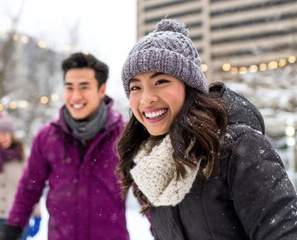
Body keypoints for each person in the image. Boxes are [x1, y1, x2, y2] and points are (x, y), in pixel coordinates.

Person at [116, 18, 297, 239]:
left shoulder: (238, 148)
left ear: (189, 87)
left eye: (161, 81)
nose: (146, 98)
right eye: (135, 87)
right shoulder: (150, 166)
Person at [0, 52, 130, 240]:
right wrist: (12, 227)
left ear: (101, 90)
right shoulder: (47, 138)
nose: (75, 96)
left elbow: (148, 195)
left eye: (84, 87)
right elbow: (29, 188)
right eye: (69, 87)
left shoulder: (124, 136)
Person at [0, 113, 41, 240]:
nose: (2, 138)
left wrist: (37, 214)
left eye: (5, 134)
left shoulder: (24, 156)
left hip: (20, 216)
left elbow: (32, 186)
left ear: (12, 135)